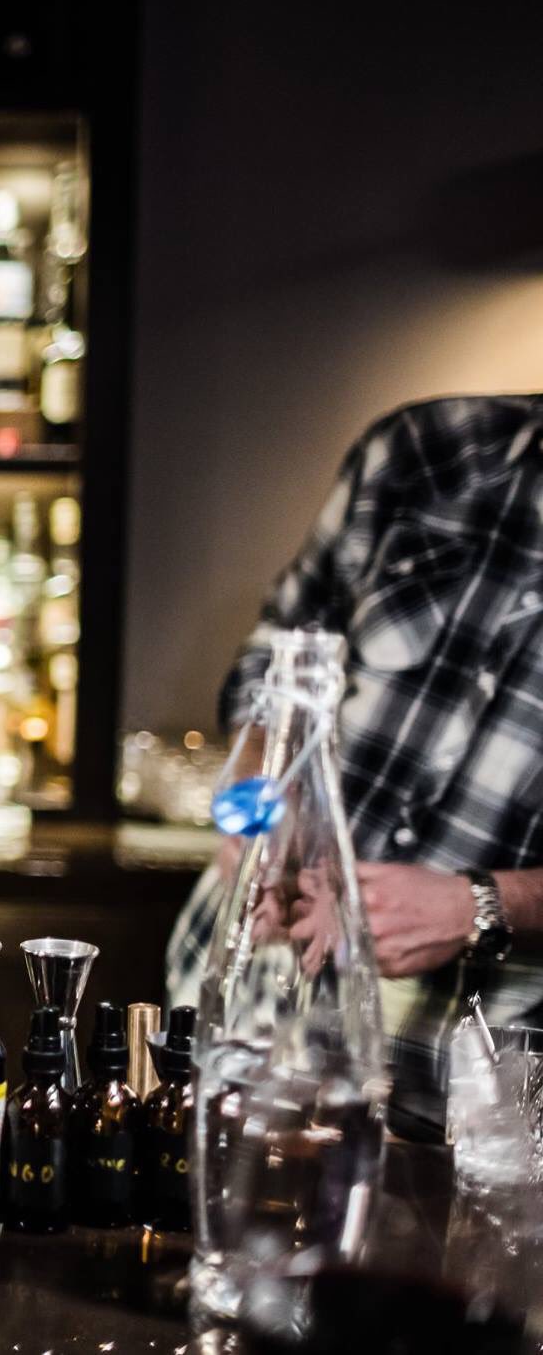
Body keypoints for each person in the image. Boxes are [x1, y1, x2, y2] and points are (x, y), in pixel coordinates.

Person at [166, 392, 543, 1133]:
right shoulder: (426, 449)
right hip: (244, 1025)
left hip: (469, 1108)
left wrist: (482, 905)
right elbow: (269, 668)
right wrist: (262, 808)